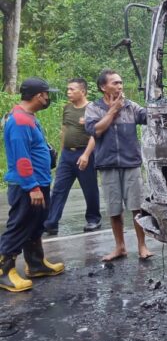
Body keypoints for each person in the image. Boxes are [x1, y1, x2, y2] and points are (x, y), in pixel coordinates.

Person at [0, 77, 65, 292]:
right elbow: (21, 158)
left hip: (40, 181)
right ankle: (3, 271)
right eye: (46, 94)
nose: (48, 98)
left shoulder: (29, 117)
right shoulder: (19, 120)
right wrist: (32, 187)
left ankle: (36, 264)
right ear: (39, 96)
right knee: (20, 225)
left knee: (36, 224)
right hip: (27, 185)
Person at [85, 70, 153, 261]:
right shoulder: (93, 108)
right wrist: (113, 110)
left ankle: (142, 246)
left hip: (131, 162)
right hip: (108, 165)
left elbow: (148, 116)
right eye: (115, 83)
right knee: (114, 210)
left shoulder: (130, 106)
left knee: (137, 207)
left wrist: (156, 103)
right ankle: (120, 247)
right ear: (103, 87)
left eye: (121, 83)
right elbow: (95, 130)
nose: (120, 86)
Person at [43, 78, 102, 235]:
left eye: (72, 89)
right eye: (67, 89)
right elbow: (64, 129)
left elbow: (95, 135)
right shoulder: (67, 108)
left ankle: (93, 219)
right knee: (58, 189)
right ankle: (51, 222)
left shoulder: (92, 109)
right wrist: (62, 152)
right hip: (67, 154)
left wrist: (86, 155)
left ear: (82, 91)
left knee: (89, 189)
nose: (68, 92)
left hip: (85, 154)